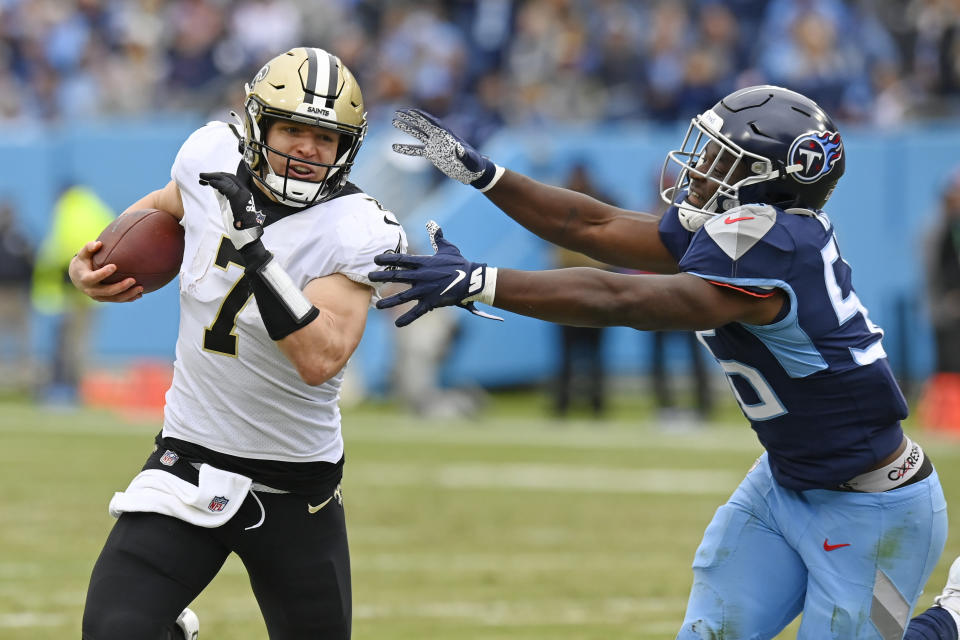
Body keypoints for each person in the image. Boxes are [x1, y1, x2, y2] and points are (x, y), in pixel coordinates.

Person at [370, 87, 960, 639]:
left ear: (776, 182)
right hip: (786, 483)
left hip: (873, 508)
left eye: (726, 161)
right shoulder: (740, 227)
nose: (701, 170)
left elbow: (621, 298)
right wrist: (484, 175)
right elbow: (590, 225)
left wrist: (481, 280)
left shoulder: (780, 244)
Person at [69, 47, 406, 640]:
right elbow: (162, 207)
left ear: (346, 149)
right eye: (293, 130)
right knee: (113, 631)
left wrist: (256, 250)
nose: (307, 149)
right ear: (256, 127)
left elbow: (320, 357)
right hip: (191, 458)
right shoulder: (209, 155)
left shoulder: (358, 228)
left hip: (297, 486)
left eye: (324, 138)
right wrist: (96, 262)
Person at [32, 184, 115, 404]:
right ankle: (75, 389)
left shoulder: (70, 210)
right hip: (93, 290)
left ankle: (68, 390)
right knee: (79, 343)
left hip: (73, 291)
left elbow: (64, 249)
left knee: (70, 344)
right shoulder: (95, 208)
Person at [920, 168, 960, 432]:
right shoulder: (937, 230)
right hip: (946, 310)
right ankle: (945, 418)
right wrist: (947, 298)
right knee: (947, 363)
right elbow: (936, 272)